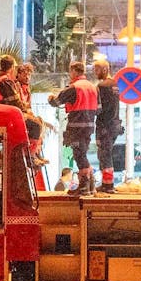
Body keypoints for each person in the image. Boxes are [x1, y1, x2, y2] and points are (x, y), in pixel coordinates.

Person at [50, 61, 98, 196]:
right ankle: (90, 184)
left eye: (70, 72)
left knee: (79, 155)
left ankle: (84, 186)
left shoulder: (74, 87)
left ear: (74, 71)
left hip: (77, 125)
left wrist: (51, 99)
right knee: (82, 153)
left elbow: (56, 102)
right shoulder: (92, 87)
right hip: (89, 125)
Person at [92, 59, 121, 194]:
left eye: (96, 70)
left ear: (104, 69)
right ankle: (106, 183)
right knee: (106, 154)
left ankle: (107, 185)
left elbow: (98, 109)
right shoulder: (115, 85)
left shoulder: (101, 86)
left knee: (104, 155)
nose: (95, 73)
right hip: (115, 125)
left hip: (105, 126)